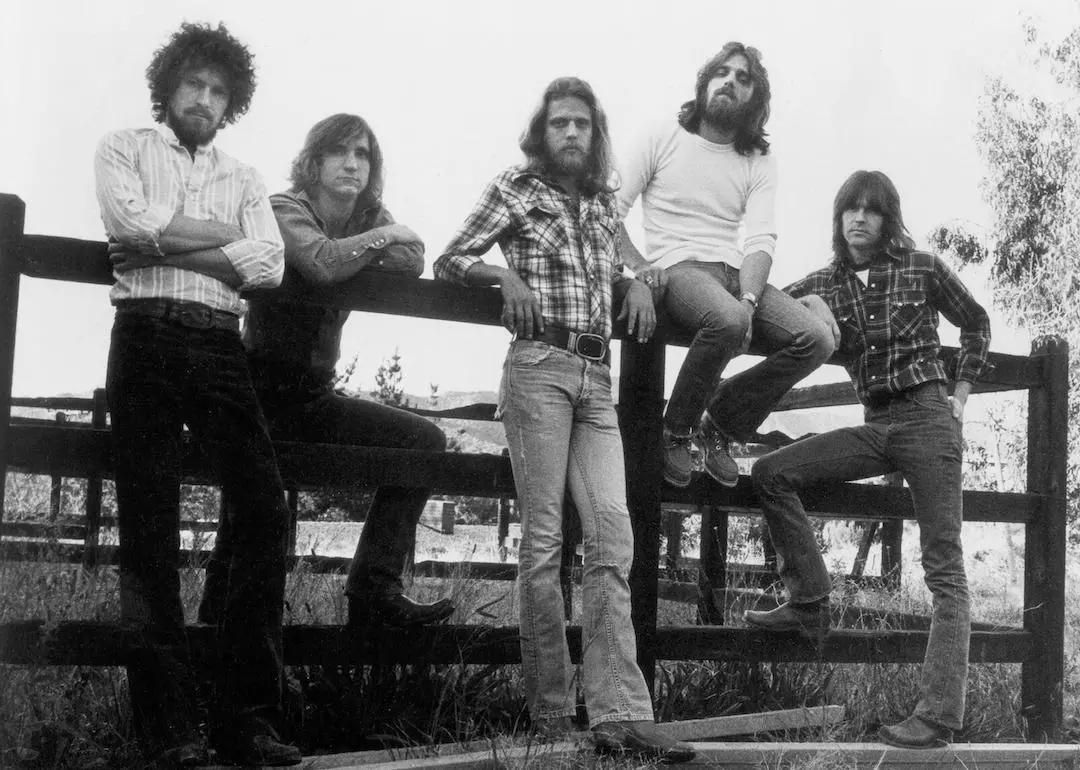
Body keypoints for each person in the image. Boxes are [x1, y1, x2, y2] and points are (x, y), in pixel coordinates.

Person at [434, 76, 694, 763]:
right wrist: (503, 278)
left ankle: (619, 713)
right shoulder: (515, 189)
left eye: (582, 123)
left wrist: (636, 280)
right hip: (538, 370)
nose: (572, 133)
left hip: (596, 378)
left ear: (595, 132)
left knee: (615, 534)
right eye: (560, 124)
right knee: (544, 543)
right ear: (541, 133)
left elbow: (638, 266)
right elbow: (451, 256)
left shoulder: (606, 205)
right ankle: (552, 714)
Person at [95, 22, 300, 767]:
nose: (204, 99)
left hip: (219, 343)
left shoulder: (244, 176)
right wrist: (220, 245)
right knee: (148, 525)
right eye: (194, 85)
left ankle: (246, 720)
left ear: (231, 101)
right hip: (145, 334)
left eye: (219, 91)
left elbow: (270, 265)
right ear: (169, 85)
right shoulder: (124, 147)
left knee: (263, 508)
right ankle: (171, 731)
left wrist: (173, 236)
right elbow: (128, 223)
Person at [746, 170, 991, 749]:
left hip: (929, 417)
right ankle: (808, 599)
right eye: (849, 210)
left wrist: (960, 393)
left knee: (945, 570)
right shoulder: (828, 282)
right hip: (875, 424)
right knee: (772, 472)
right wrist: (802, 302)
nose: (858, 218)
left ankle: (937, 716)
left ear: (887, 218)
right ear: (838, 219)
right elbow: (766, 304)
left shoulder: (922, 267)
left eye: (871, 210)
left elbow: (976, 322)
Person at [197, 113, 454, 628]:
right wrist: (379, 240)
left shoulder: (366, 218)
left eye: (363, 155)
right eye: (341, 152)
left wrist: (372, 239)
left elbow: (414, 258)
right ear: (314, 162)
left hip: (314, 396)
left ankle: (374, 589)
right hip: (254, 393)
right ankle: (213, 650)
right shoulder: (284, 207)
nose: (353, 164)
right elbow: (318, 263)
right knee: (250, 522)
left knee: (422, 442)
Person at [617, 43, 835, 489]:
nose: (730, 82)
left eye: (743, 78)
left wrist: (750, 299)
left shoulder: (758, 159)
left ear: (754, 98)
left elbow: (760, 239)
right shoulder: (661, 135)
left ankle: (720, 424)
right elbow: (606, 211)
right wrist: (640, 267)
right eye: (722, 72)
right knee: (728, 319)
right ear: (705, 81)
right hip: (679, 266)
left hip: (735, 273)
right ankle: (676, 429)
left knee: (814, 339)